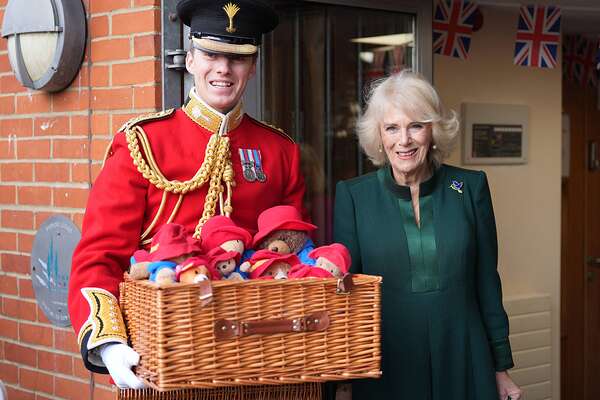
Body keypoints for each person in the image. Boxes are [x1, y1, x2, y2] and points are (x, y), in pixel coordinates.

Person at [67, 0, 306, 389]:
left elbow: (292, 255)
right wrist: (108, 341)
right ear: (191, 59)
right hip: (162, 358)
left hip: (260, 362)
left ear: (253, 66)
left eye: (238, 58)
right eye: (211, 54)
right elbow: (99, 256)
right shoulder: (142, 142)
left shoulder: (279, 150)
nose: (223, 69)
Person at [333, 70, 522, 400]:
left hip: (464, 354)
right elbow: (347, 297)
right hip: (387, 359)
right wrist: (344, 382)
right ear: (379, 135)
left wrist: (500, 368)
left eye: (415, 125)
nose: (403, 140)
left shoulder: (469, 187)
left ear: (433, 131)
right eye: (392, 128)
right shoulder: (354, 197)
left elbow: (486, 281)